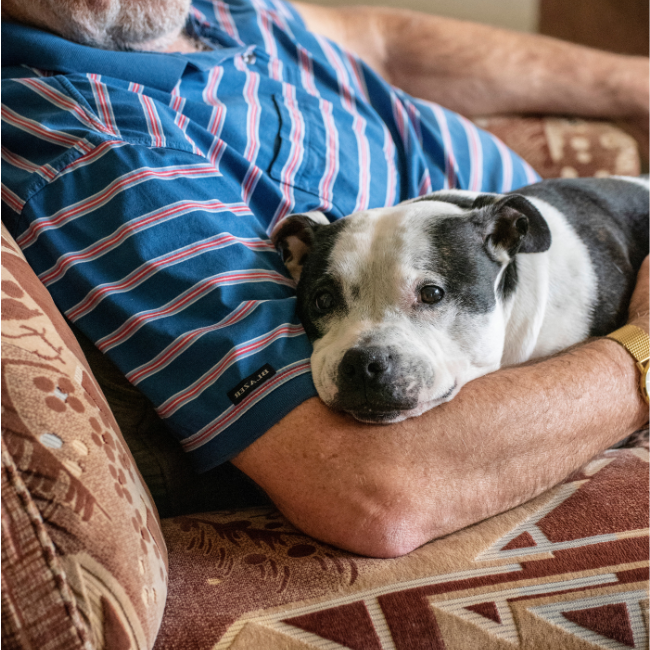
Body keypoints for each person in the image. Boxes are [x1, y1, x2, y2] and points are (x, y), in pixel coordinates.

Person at [2, 0, 648, 558]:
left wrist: (637, 82)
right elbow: (376, 490)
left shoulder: (211, 11)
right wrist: (642, 352)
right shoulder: (94, 152)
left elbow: (381, 42)